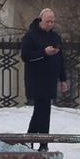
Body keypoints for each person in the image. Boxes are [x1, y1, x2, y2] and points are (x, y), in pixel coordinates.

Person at [21, 8, 68, 150]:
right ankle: (42, 143)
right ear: (40, 20)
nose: (50, 24)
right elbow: (26, 56)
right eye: (48, 21)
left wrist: (63, 79)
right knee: (43, 110)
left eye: (52, 21)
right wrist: (44, 52)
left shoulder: (55, 37)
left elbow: (60, 59)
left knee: (41, 110)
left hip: (50, 79)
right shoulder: (30, 36)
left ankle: (30, 139)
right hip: (36, 78)